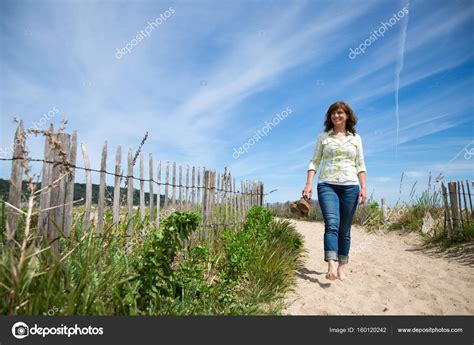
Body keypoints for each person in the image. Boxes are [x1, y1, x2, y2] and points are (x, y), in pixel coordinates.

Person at [302, 101, 367, 281]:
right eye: (333, 114)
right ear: (330, 117)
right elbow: (314, 161)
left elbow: (360, 164)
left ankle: (342, 266)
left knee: (345, 229)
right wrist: (308, 184)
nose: (336, 116)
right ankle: (331, 263)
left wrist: (363, 187)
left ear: (347, 116)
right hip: (327, 185)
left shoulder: (356, 139)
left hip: (351, 186)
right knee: (332, 224)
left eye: (340, 113)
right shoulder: (323, 137)